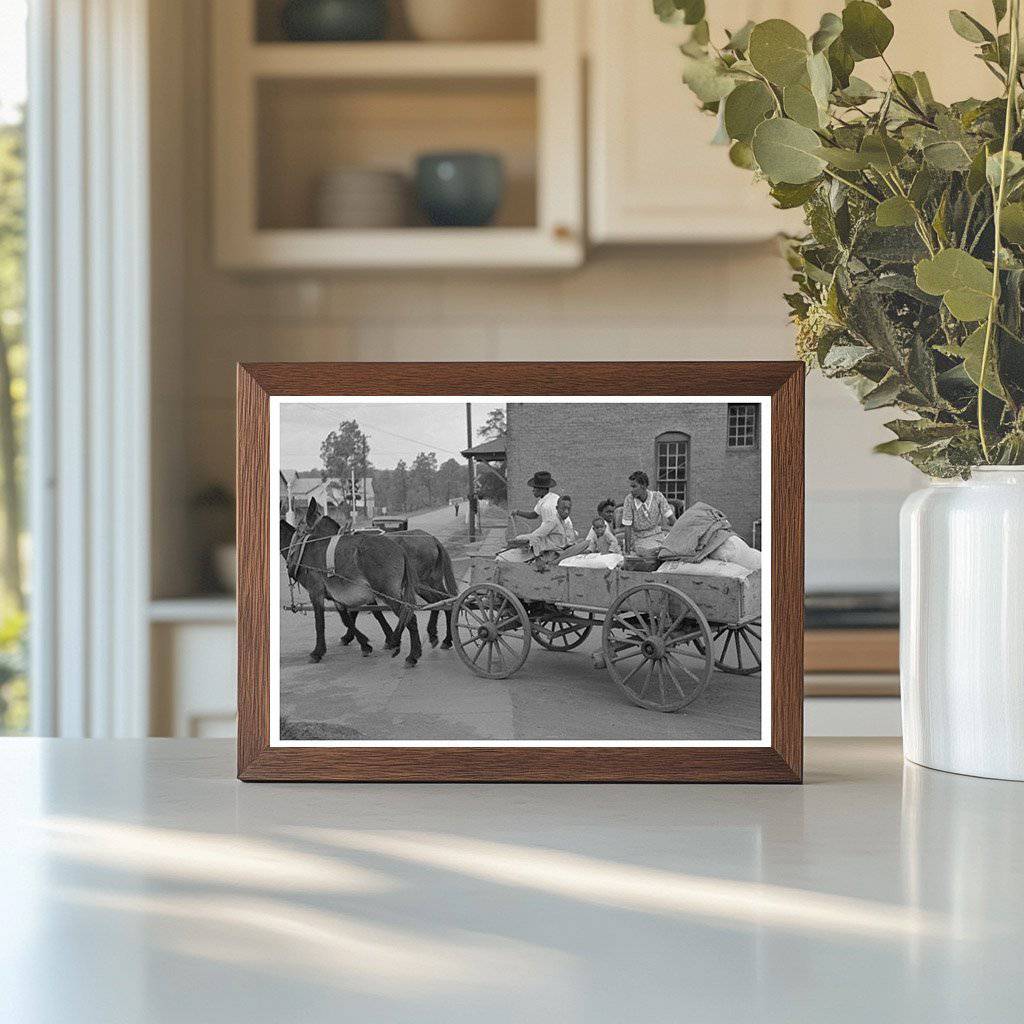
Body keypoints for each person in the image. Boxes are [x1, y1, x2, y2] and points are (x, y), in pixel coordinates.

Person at [499, 470, 562, 562]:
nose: (533, 490)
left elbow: (547, 528)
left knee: (523, 542)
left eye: (535, 488)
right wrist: (518, 512)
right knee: (524, 539)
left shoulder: (547, 506)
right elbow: (534, 515)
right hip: (553, 533)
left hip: (555, 538)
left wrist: (527, 537)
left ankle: (537, 560)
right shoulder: (551, 497)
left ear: (542, 489)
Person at [621, 470, 675, 555]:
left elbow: (672, 520)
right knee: (648, 551)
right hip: (639, 538)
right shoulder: (629, 500)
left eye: (634, 486)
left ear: (643, 486)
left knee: (667, 550)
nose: (631, 490)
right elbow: (627, 528)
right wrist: (627, 552)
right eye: (630, 487)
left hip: (657, 536)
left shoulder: (658, 497)